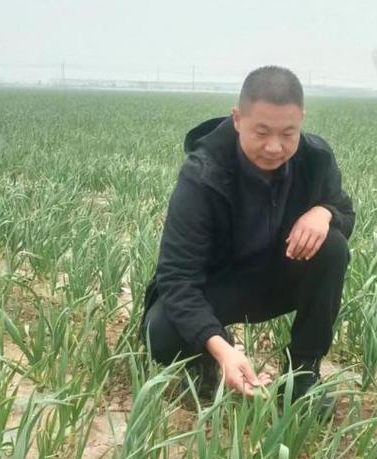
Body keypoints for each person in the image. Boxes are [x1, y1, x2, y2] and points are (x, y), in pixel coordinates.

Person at [139, 66, 355, 404]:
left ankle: (303, 374)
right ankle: (207, 360)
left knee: (332, 247)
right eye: (262, 132)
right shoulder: (203, 174)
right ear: (238, 119)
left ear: (301, 121)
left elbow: (345, 211)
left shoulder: (315, 159)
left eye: (288, 133)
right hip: (218, 285)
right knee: (160, 334)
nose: (274, 147)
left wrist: (324, 212)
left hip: (277, 274)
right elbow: (177, 277)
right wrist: (220, 347)